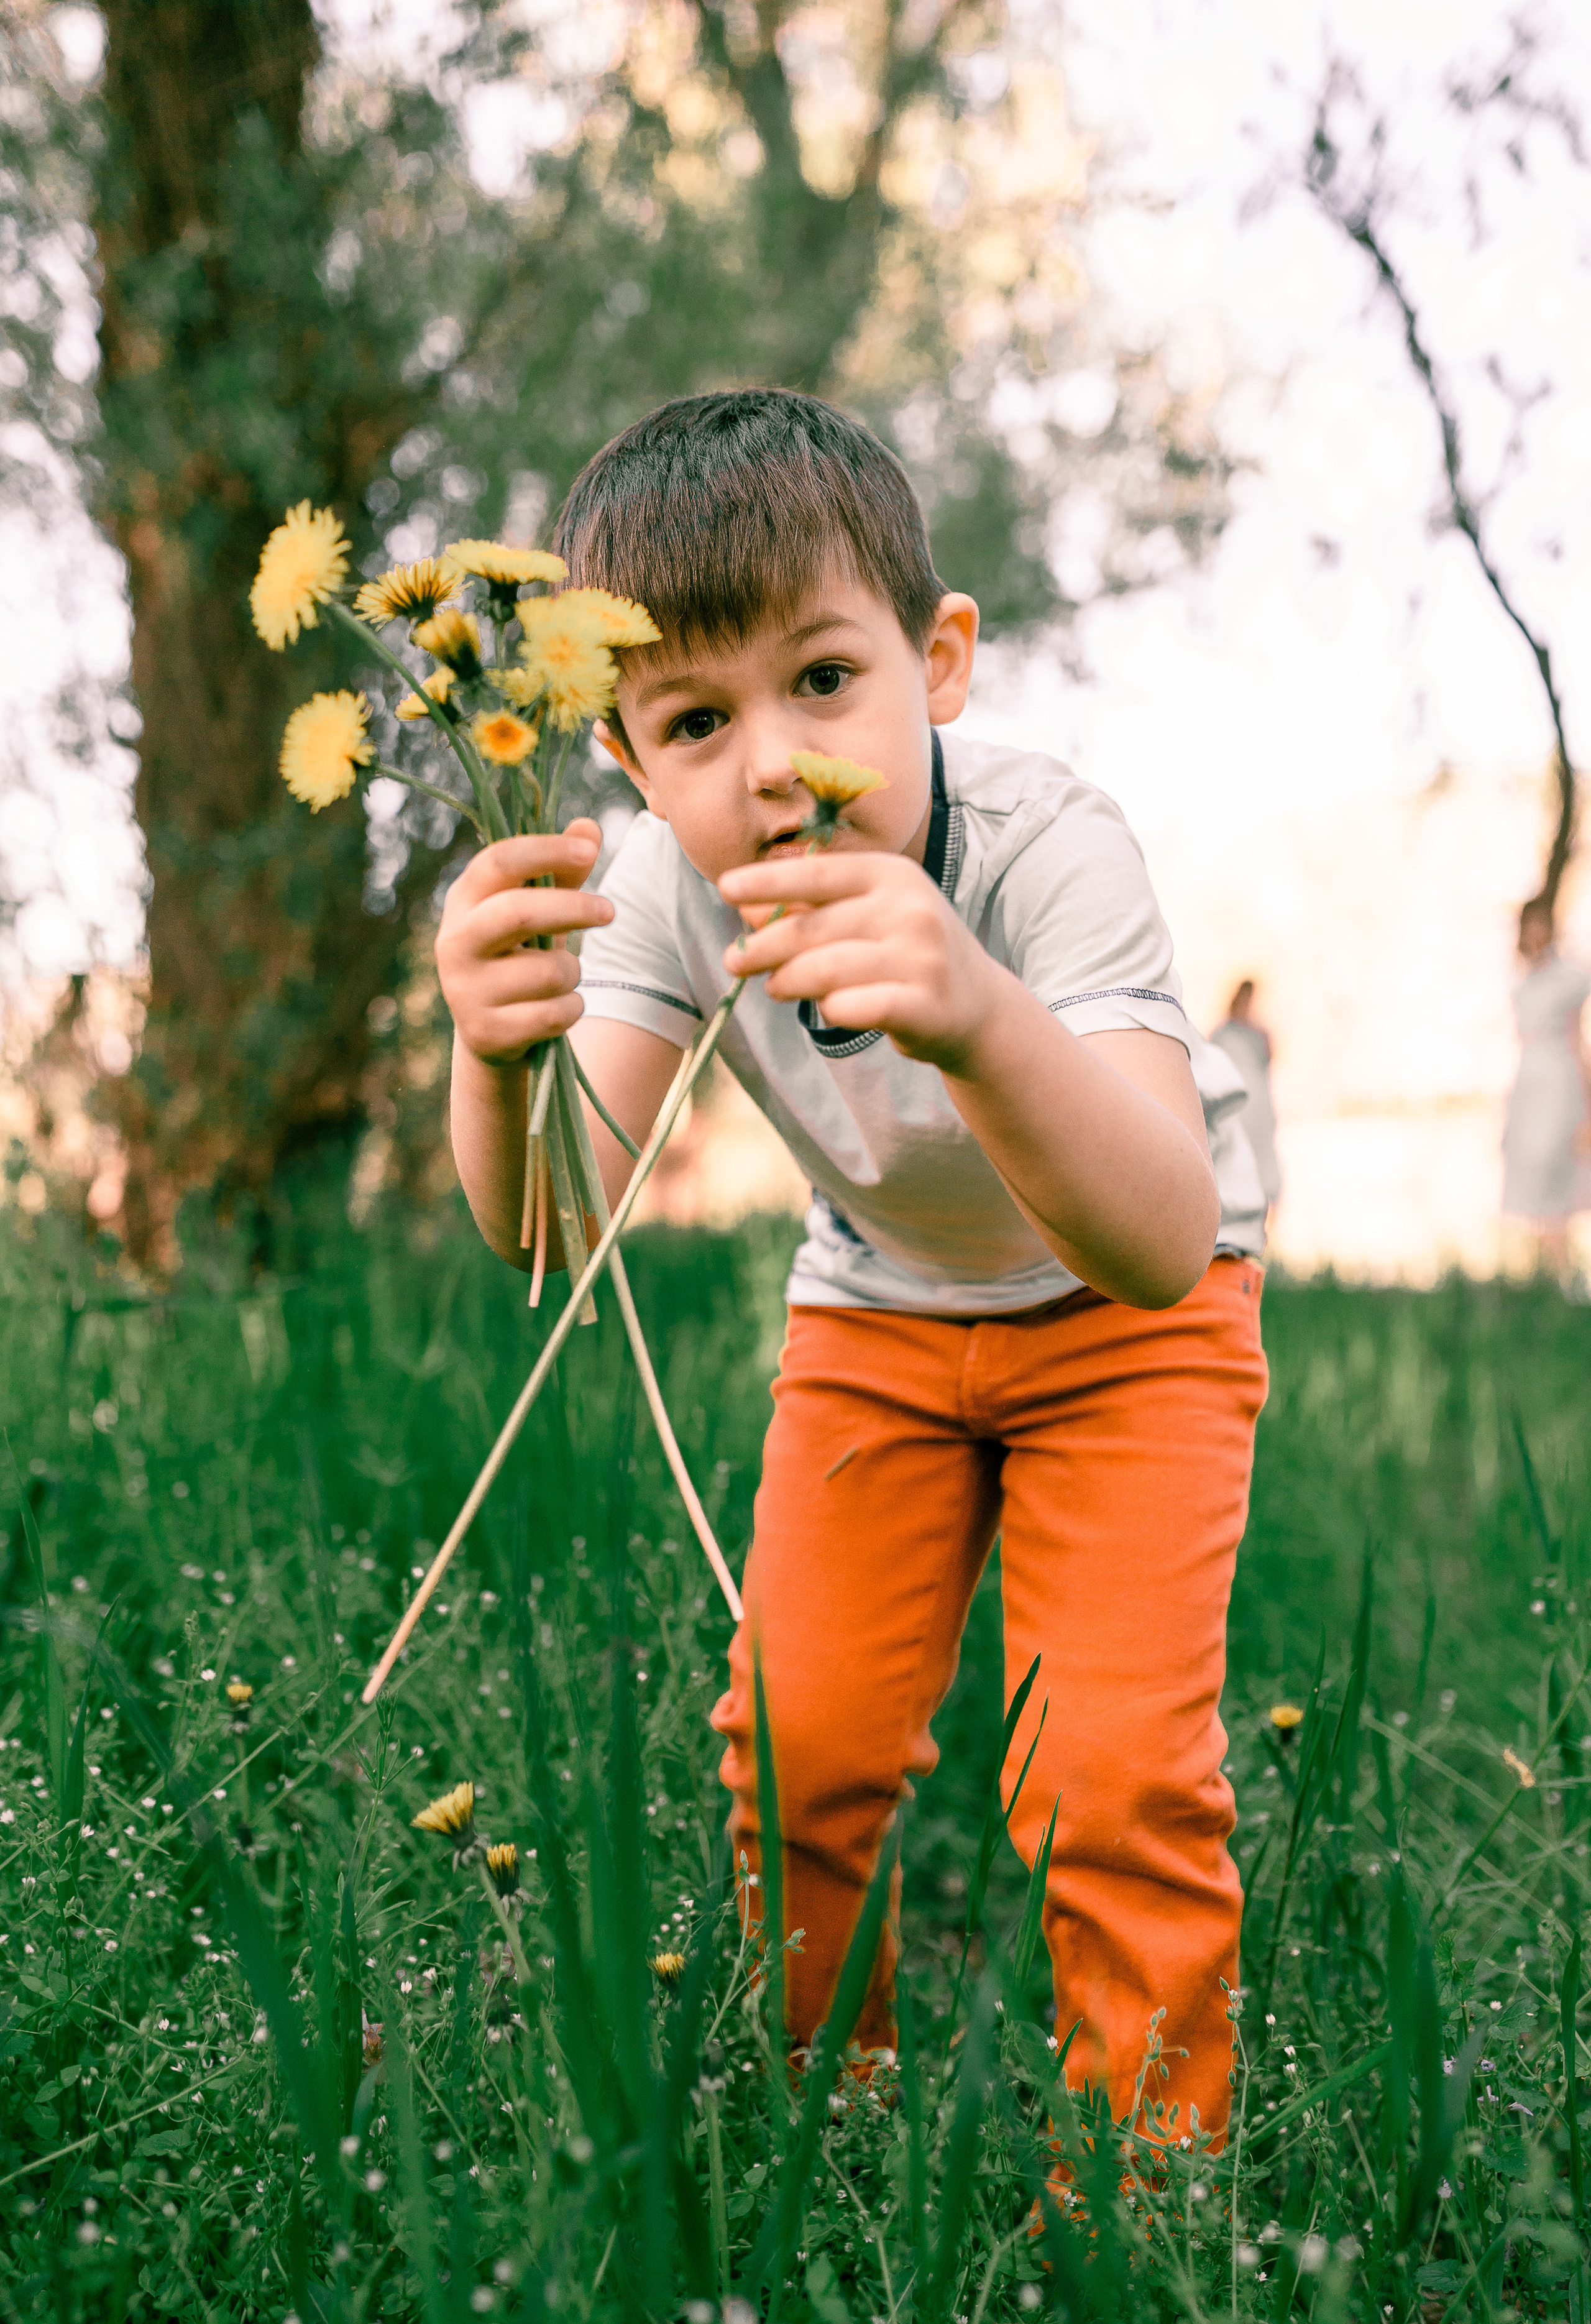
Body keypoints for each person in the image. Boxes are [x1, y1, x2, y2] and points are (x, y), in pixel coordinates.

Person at [435, 390, 1268, 2152]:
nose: (769, 763)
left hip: (1133, 1328)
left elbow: (1158, 1234)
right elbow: (551, 1234)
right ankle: (835, 2113)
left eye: (823, 681)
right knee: (799, 1735)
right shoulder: (666, 890)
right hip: (881, 1314)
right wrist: (490, 1058)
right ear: (628, 759)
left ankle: (1160, 2183)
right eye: (692, 719)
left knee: (1110, 1766)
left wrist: (974, 1002)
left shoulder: (1050, 847)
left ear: (938, 658)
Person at [1502, 896, 1591, 1282]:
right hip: (1529, 1087)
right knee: (1532, 1175)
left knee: (1558, 1173)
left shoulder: (1569, 980)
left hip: (1560, 1085)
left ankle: (1564, 1276)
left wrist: (1586, 1102)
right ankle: (1547, 1276)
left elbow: (1576, 1040)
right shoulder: (1521, 982)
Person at [1209, 978, 1280, 1215]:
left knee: (1264, 1164)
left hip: (1258, 1107)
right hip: (1234, 1109)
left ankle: (1268, 1221)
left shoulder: (1260, 1033)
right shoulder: (1222, 1033)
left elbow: (1268, 1064)